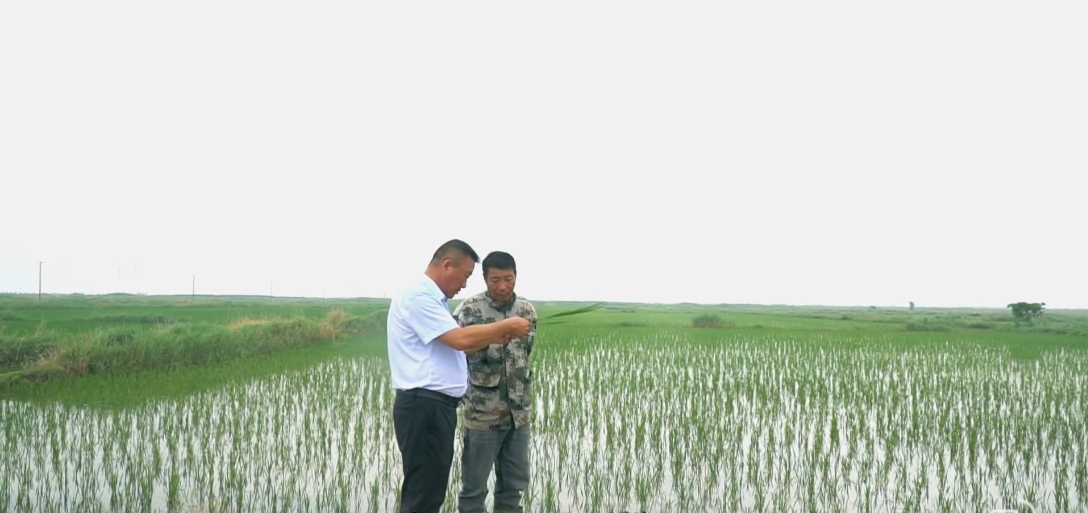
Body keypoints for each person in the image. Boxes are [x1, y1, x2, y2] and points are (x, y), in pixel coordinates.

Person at [387, 239, 533, 513]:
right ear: (446, 265)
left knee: (430, 491)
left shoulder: (433, 300)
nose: (465, 284)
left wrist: (494, 335)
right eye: (465, 275)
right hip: (425, 405)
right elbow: (459, 339)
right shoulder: (419, 297)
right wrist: (504, 327)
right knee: (423, 495)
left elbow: (457, 345)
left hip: (436, 406)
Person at [452, 251, 538, 513]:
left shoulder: (526, 310)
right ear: (485, 278)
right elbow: (455, 354)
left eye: (508, 279)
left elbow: (525, 354)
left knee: (513, 488)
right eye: (495, 280)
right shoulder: (469, 310)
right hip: (482, 415)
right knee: (474, 489)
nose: (502, 286)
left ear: (516, 276)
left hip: (518, 415)